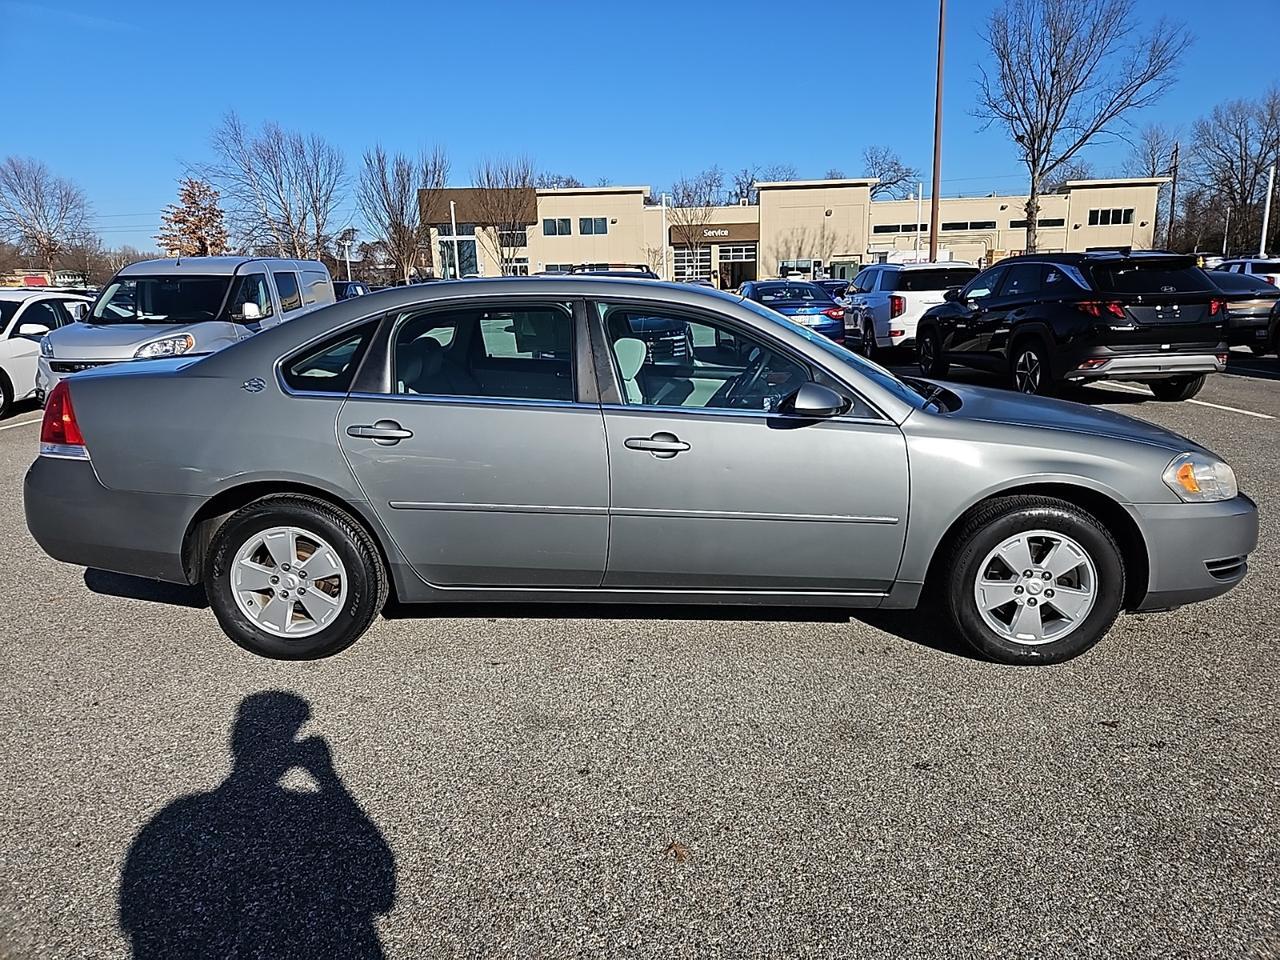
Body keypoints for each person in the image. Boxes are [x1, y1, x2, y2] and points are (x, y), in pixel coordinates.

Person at [119, 691, 395, 958]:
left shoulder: (176, 817)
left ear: (237, 739)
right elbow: (378, 882)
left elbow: (144, 917)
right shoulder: (306, 808)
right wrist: (327, 776)